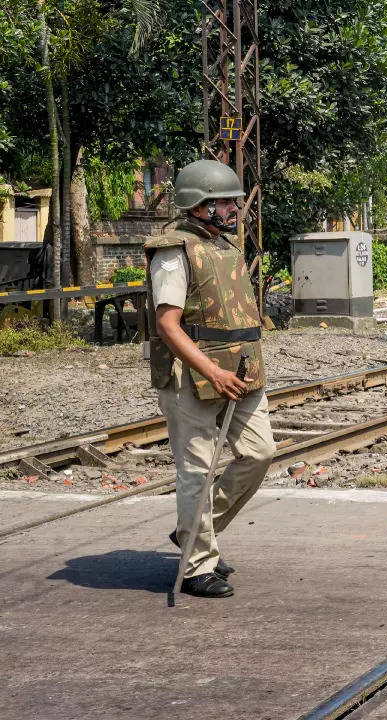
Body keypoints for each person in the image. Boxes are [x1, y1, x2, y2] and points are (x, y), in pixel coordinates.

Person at [143, 159, 275, 599]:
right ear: (198, 205)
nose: (235, 207)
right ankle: (198, 563)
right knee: (197, 470)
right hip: (192, 376)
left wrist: (232, 369)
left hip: (239, 372)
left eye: (234, 200)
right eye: (225, 201)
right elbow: (168, 324)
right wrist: (211, 371)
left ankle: (196, 532)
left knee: (259, 453)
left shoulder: (224, 247)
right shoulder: (173, 253)